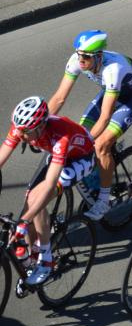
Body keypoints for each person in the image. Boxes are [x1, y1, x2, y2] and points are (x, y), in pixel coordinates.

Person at [47, 30, 132, 220]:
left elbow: (105, 117)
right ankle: (96, 171)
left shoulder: (112, 70)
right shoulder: (76, 60)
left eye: (86, 57)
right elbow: (60, 98)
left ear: (99, 56)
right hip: (111, 93)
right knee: (80, 131)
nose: (81, 60)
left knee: (100, 144)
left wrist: (86, 144)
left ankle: (103, 200)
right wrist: (42, 123)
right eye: (79, 54)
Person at [0, 97, 95, 285]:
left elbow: (50, 184)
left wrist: (24, 222)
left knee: (36, 199)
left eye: (26, 132)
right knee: (30, 199)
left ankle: (46, 260)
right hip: (56, 155)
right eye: (20, 130)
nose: (21, 136)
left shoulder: (61, 136)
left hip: (80, 159)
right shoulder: (22, 127)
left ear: (40, 126)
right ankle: (31, 254)